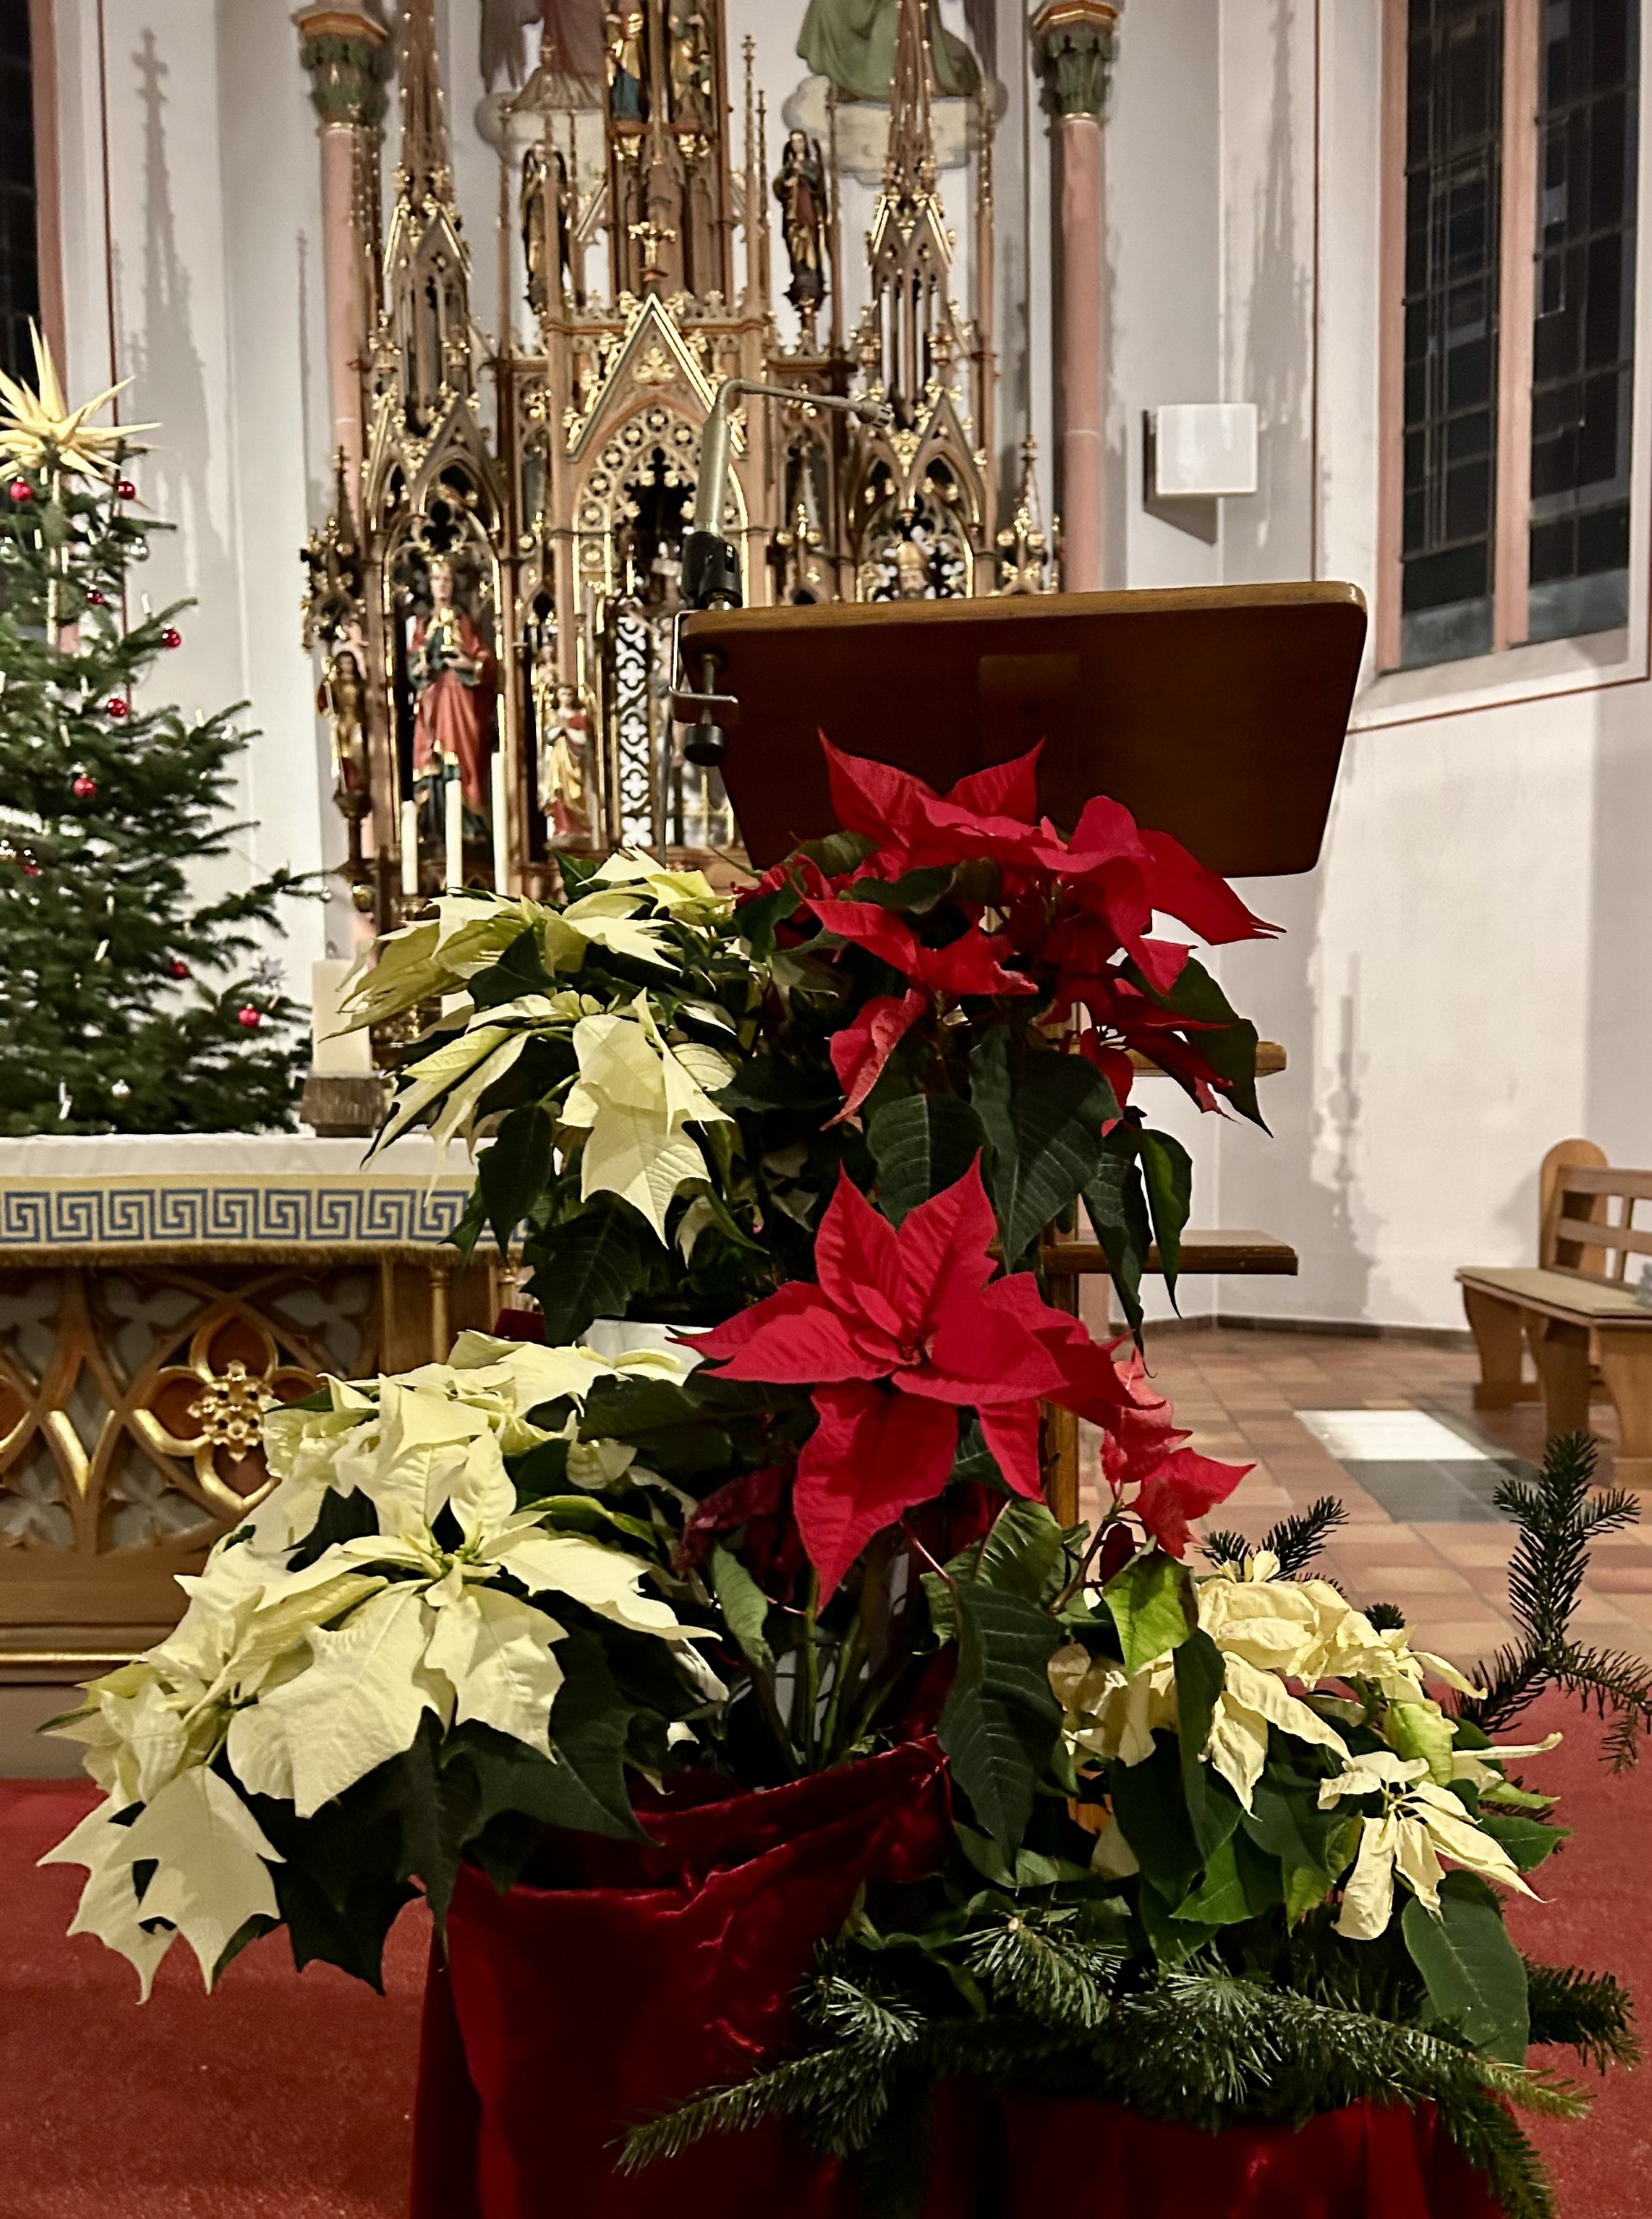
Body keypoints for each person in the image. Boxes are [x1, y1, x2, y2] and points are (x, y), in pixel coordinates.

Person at [409, 561, 497, 817]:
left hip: (459, 698)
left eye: (446, 579)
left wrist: (467, 663)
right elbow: (413, 661)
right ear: (430, 584)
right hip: (433, 698)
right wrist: (418, 670)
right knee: (431, 755)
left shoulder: (463, 622)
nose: (442, 585)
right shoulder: (424, 625)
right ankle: (434, 818)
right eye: (436, 579)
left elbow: (484, 659)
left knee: (462, 755)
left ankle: (469, 817)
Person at [774, 132, 826, 326]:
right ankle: (800, 268)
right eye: (793, 142)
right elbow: (778, 186)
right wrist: (787, 183)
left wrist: (801, 174)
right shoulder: (788, 167)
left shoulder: (810, 166)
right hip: (793, 216)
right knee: (795, 242)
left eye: (800, 141)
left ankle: (810, 271)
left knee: (809, 241)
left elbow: (818, 185)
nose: (797, 145)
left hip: (808, 215)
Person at [317, 647, 369, 806]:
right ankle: (346, 784)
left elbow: (365, 703)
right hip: (342, 722)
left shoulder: (360, 684)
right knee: (343, 754)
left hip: (356, 722)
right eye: (344, 663)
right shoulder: (335, 683)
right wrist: (327, 679)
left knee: (357, 752)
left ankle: (358, 782)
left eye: (349, 662)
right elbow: (324, 701)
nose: (347, 666)